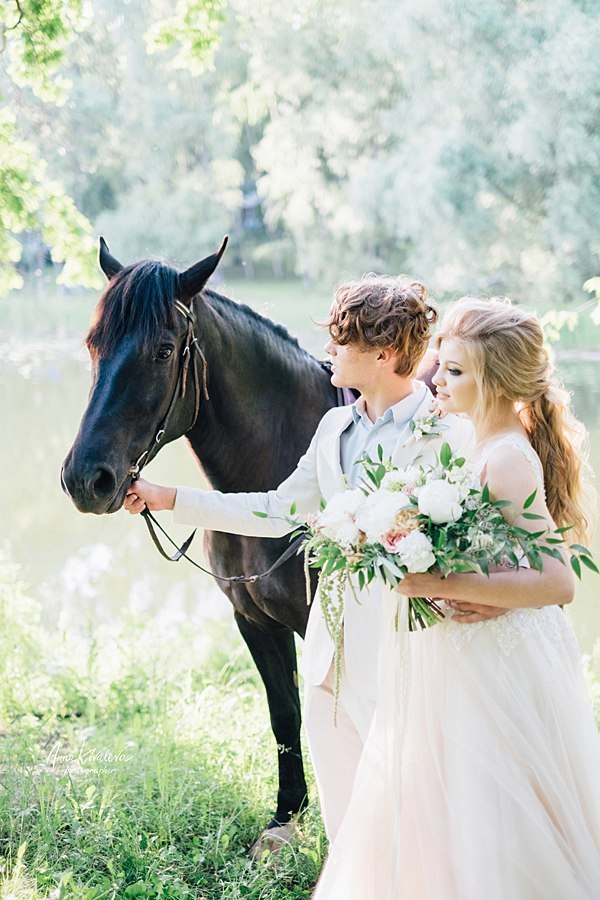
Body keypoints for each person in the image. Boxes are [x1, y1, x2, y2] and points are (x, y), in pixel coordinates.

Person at [124, 275, 503, 841]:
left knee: (421, 807)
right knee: (351, 816)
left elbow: (488, 541)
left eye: (341, 338)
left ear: (385, 353)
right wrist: (169, 498)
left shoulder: (450, 434)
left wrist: (487, 596)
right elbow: (277, 509)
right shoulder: (333, 428)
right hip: (333, 652)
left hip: (414, 650)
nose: (327, 347)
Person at [312, 296, 600, 899]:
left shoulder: (508, 460)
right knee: (439, 803)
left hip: (498, 662)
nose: (435, 379)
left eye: (455, 372)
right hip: (454, 651)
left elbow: (558, 582)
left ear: (493, 381)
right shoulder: (469, 441)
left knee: (491, 806)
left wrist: (437, 584)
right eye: (441, 366)